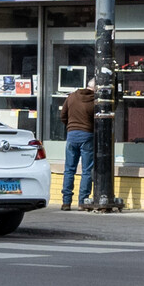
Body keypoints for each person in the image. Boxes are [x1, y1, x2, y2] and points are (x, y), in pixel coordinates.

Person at [59, 81, 98, 210]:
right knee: (86, 170)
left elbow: (63, 115)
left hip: (71, 135)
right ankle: (83, 202)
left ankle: (66, 202)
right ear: (95, 88)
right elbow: (98, 120)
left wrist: (71, 127)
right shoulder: (95, 100)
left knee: (69, 169)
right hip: (87, 135)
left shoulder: (71, 97)